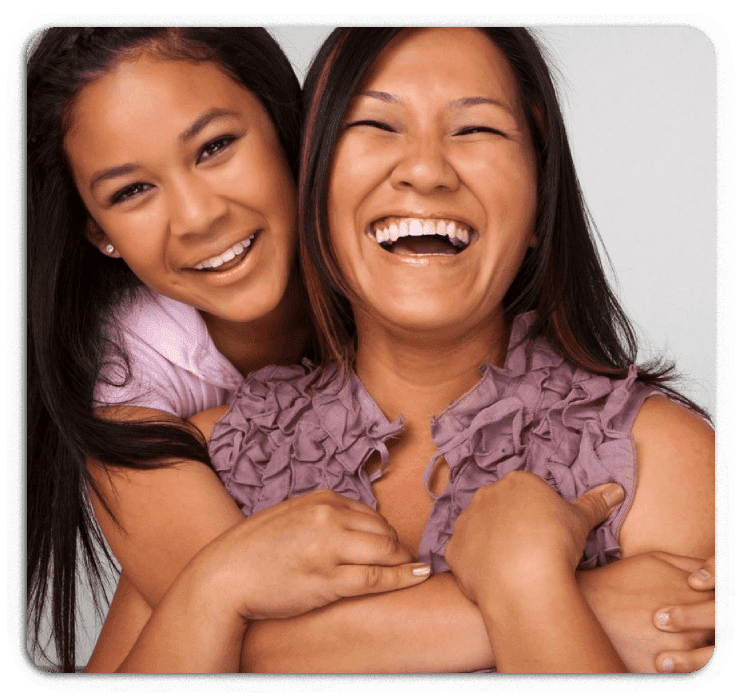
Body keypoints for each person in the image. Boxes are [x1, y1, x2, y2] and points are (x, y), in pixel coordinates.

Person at [27, 25, 714, 675]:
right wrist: (219, 585)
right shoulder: (195, 455)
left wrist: (529, 586)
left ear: (540, 193)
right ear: (316, 180)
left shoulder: (655, 459)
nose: (424, 170)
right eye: (377, 126)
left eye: (475, 128)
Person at [26, 26, 433, 674]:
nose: (196, 216)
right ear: (99, 232)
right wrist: (552, 600)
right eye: (131, 191)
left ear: (280, 124)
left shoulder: (398, 238)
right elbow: (259, 638)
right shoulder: (130, 380)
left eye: (214, 146)